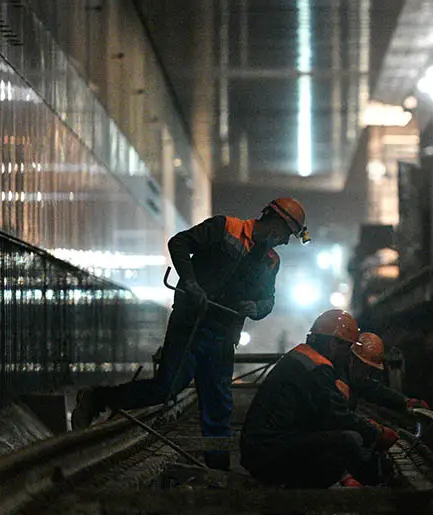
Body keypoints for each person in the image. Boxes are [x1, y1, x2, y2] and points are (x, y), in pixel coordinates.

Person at [71, 197, 310, 471]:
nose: (284, 241)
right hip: (190, 323)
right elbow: (179, 243)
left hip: (223, 335)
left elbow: (268, 300)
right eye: (284, 234)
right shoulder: (225, 227)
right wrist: (191, 282)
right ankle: (97, 398)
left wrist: (256, 308)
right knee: (168, 387)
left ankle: (217, 475)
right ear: (273, 221)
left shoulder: (270, 261)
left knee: (218, 406)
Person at [240, 310, 401, 488]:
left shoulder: (304, 357)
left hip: (262, 449)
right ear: (333, 344)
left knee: (341, 438)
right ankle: (380, 481)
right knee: (347, 440)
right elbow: (336, 416)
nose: (347, 354)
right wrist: (375, 432)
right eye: (346, 348)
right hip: (268, 454)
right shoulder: (317, 367)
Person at [348, 332, 430, 413]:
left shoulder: (388, 362)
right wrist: (403, 400)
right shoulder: (353, 372)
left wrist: (404, 400)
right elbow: (370, 387)